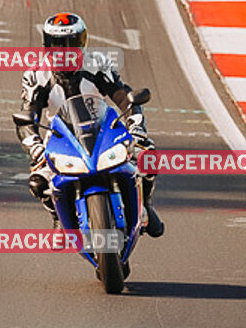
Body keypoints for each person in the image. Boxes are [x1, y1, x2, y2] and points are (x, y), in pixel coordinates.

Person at [14, 12, 164, 237]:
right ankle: (58, 216)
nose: (64, 51)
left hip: (103, 132)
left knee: (147, 156)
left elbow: (123, 96)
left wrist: (136, 128)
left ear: (82, 43)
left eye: (70, 44)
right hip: (61, 140)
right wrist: (36, 148)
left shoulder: (98, 64)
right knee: (38, 183)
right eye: (57, 45)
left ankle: (146, 204)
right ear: (46, 45)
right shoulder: (36, 76)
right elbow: (27, 115)